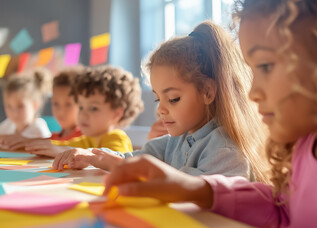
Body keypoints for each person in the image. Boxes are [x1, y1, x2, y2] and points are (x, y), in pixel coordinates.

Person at [100, 0, 317, 228]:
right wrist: (195, 188)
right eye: (253, 69)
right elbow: (281, 212)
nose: (253, 92)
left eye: (266, 66)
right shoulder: (303, 148)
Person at [52, 21, 270, 182]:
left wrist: (122, 166)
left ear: (207, 92)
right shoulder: (176, 140)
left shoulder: (224, 148)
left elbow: (201, 189)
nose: (161, 110)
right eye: (158, 98)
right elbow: (136, 157)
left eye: (173, 99)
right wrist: (92, 157)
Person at [24, 65, 144, 158]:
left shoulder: (117, 138)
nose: (83, 115)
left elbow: (112, 160)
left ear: (116, 114)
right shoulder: (88, 139)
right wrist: (38, 144)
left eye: (93, 108)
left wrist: (62, 150)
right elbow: (63, 145)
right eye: (81, 107)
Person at [0, 66, 84, 150]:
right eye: (56, 103)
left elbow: (70, 147)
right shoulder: (57, 136)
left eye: (68, 104)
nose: (60, 110)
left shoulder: (86, 136)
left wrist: (27, 142)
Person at [0, 68, 52, 147]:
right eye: (9, 106)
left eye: (20, 106)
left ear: (35, 105)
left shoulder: (38, 128)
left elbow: (49, 146)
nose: (14, 112)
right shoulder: (7, 125)